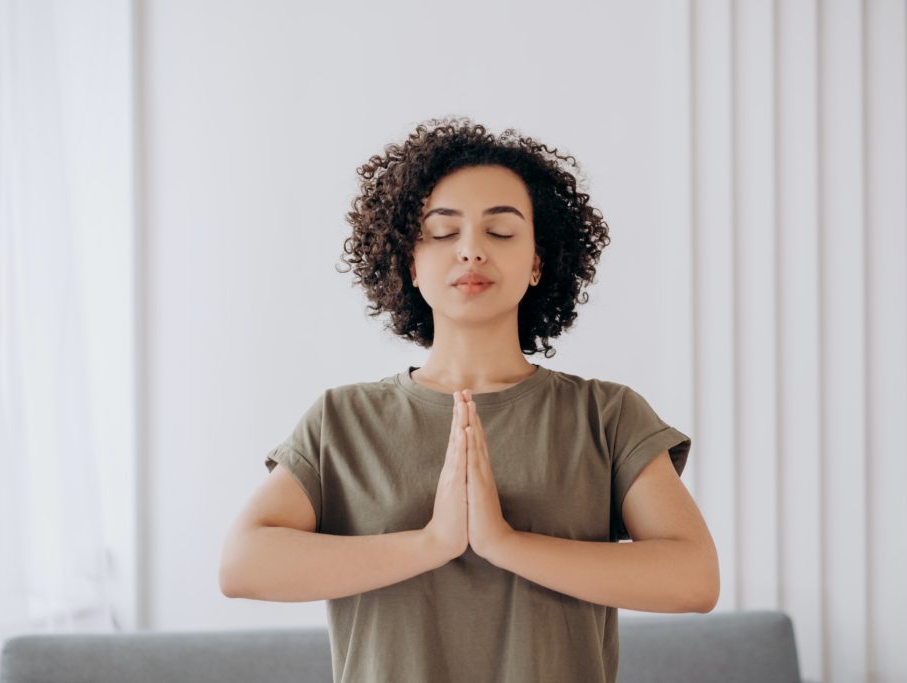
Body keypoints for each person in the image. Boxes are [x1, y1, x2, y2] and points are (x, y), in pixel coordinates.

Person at [219, 117, 719, 682]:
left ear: (537, 262)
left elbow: (694, 578)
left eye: (501, 232)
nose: (472, 251)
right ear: (410, 261)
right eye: (443, 231)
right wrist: (433, 543)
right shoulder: (343, 420)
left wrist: (504, 543)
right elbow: (242, 566)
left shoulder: (605, 416)